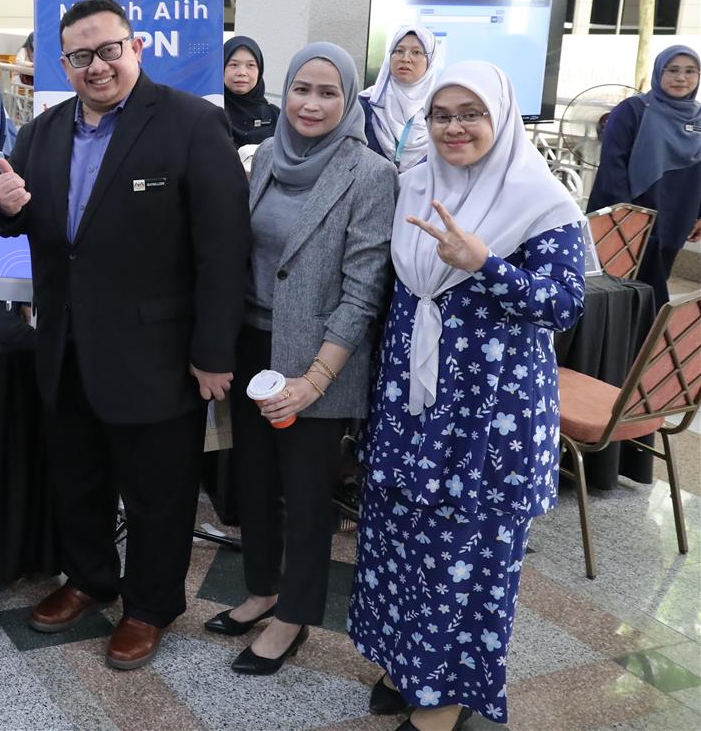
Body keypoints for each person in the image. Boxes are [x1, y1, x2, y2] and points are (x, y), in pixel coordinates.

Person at [0, 0, 250, 671]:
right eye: (80, 56)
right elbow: (10, 210)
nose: (96, 66)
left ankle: (149, 606)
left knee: (159, 493)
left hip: (157, 353)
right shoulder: (44, 131)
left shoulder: (191, 123)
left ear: (136, 48)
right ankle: (90, 577)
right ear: (63, 63)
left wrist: (214, 351)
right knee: (78, 479)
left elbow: (223, 249)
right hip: (66, 347)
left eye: (107, 50)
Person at [349, 61, 586, 731]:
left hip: (491, 417)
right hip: (411, 405)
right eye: (441, 115)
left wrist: (486, 265)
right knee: (399, 539)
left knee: (464, 556)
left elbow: (564, 305)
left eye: (471, 113)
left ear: (501, 117)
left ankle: (445, 700)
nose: (454, 127)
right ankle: (405, 666)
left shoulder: (540, 201)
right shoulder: (416, 182)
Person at [206, 43, 395, 676]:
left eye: (328, 92)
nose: (311, 104)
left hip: (320, 359)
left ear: (349, 99)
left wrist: (315, 379)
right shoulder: (265, 156)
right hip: (253, 346)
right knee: (253, 482)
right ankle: (261, 589)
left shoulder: (371, 175)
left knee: (308, 495)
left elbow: (363, 292)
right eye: (301, 89)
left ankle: (294, 615)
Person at [586, 44, 701, 307]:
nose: (681, 78)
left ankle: (645, 332)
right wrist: (626, 215)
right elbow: (613, 164)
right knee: (620, 289)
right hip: (632, 213)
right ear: (659, 72)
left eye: (690, 71)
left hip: (678, 215)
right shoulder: (633, 110)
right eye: (672, 70)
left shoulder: (698, 116)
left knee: (653, 282)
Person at [359, 25, 438, 172]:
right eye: (399, 51)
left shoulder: (440, 111)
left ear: (430, 61)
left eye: (416, 52)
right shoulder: (365, 104)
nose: (405, 59)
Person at [222, 35, 280, 149]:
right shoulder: (212, 111)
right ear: (221, 68)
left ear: (260, 70)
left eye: (251, 65)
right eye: (234, 65)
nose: (242, 73)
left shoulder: (276, 116)